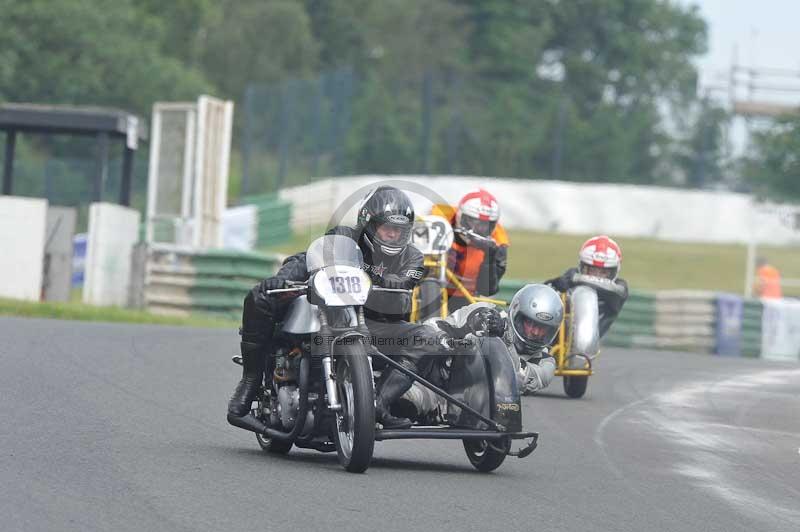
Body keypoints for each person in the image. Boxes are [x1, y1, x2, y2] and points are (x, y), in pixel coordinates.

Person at [227, 185, 449, 432]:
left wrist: (367, 274)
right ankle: (249, 382)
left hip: (380, 329)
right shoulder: (343, 236)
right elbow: (308, 257)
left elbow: (406, 280)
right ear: (368, 224)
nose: (393, 236)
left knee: (428, 337)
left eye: (399, 230)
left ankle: (378, 404)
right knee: (260, 296)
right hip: (335, 317)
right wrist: (285, 277)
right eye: (387, 229)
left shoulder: (414, 258)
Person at [432, 284, 564, 395]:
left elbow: (518, 380)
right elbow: (434, 326)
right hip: (441, 382)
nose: (535, 332)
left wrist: (505, 336)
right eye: (531, 324)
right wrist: (468, 327)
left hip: (484, 410)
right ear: (517, 315)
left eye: (543, 328)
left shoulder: (546, 364)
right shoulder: (486, 310)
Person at [430, 188, 509, 311]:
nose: (478, 229)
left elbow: (487, 290)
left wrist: (490, 255)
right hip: (430, 286)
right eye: (472, 222)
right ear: (461, 217)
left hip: (465, 296)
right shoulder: (438, 219)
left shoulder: (498, 243)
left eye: (485, 226)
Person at [545, 235, 628, 338]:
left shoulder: (620, 287)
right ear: (582, 266)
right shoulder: (571, 274)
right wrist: (560, 284)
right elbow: (550, 285)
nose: (596, 275)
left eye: (603, 272)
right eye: (592, 270)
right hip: (560, 332)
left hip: (591, 338)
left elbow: (619, 291)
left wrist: (578, 279)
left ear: (614, 271)